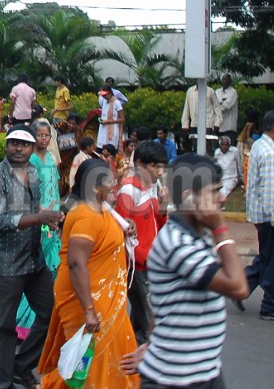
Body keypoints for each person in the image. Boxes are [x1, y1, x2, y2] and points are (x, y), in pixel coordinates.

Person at [124, 153, 249, 389]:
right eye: (214, 191)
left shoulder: (196, 234)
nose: (221, 199)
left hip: (204, 371)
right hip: (174, 379)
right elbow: (239, 287)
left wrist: (152, 344)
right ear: (189, 198)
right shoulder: (177, 243)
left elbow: (168, 304)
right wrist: (220, 228)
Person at [37, 158, 138, 388]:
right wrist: (89, 310)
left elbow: (107, 241)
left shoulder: (103, 210)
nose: (116, 185)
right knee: (88, 364)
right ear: (94, 187)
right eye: (110, 182)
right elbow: (76, 264)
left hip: (105, 299)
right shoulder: (87, 215)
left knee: (101, 360)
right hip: (88, 300)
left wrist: (127, 225)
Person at [0, 126, 62, 389]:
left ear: (32, 148)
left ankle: (20, 367)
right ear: (6, 146)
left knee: (53, 312)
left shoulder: (33, 172)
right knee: (3, 327)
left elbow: (31, 207)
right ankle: (1, 383)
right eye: (13, 143)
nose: (18, 148)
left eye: (24, 144)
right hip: (4, 265)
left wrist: (49, 216)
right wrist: (38, 217)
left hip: (33, 261)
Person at [115, 140, 169, 344]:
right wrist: (147, 258)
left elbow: (158, 224)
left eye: (162, 166)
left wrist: (163, 208)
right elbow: (122, 231)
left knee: (140, 318)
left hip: (149, 261)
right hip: (138, 265)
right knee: (151, 320)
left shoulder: (153, 187)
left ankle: (129, 361)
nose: (159, 171)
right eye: (155, 166)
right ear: (139, 164)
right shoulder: (129, 190)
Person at [244, 110, 274, 321]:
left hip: (262, 214)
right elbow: (268, 190)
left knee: (267, 258)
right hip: (268, 217)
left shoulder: (260, 146)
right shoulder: (267, 152)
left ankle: (240, 286)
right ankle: (272, 306)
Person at [99, 86, 126, 151]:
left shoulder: (116, 103)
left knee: (110, 150)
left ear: (110, 93)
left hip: (112, 130)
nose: (104, 97)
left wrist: (108, 121)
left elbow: (122, 119)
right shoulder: (104, 102)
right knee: (101, 149)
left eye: (105, 95)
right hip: (103, 129)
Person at [215, 134, 240, 202]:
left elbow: (239, 165)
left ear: (229, 145)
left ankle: (218, 200)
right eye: (222, 145)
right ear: (220, 145)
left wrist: (242, 179)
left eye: (226, 145)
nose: (224, 147)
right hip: (220, 179)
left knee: (225, 189)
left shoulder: (235, 151)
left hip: (231, 179)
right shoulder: (217, 152)